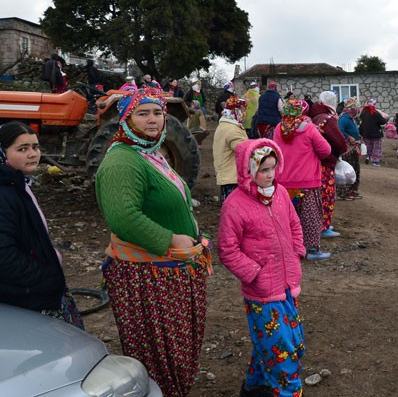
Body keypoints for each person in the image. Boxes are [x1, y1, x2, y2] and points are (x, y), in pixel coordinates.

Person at [95, 87, 211, 397]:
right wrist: (172, 239)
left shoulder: (150, 151)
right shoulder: (122, 161)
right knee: (160, 354)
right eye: (142, 113)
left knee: (176, 349)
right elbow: (123, 218)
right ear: (126, 118)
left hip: (169, 269)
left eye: (158, 112)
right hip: (148, 276)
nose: (153, 120)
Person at [217, 139, 306, 397]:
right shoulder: (234, 205)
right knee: (284, 355)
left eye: (272, 168)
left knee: (281, 342)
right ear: (248, 170)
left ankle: (253, 388)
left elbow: (294, 225)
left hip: (288, 285)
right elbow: (227, 249)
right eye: (263, 169)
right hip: (262, 294)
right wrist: (255, 273)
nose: (269, 175)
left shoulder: (280, 194)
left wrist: (297, 251)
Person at [0, 122, 84, 329]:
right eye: (22, 149)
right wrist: (46, 278)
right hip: (26, 297)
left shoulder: (18, 184)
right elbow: (4, 257)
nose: (33, 154)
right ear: (2, 153)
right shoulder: (4, 194)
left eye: (35, 147)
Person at [272, 99, 332, 261]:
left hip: (284, 182)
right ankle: (311, 249)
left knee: (288, 218)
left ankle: (290, 248)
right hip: (307, 183)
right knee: (310, 217)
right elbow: (326, 151)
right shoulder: (309, 128)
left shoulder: (279, 128)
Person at [309, 91, 348, 239]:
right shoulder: (328, 119)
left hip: (315, 162)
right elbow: (339, 142)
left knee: (318, 195)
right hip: (327, 161)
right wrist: (340, 151)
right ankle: (323, 226)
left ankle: (320, 223)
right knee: (327, 195)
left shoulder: (314, 117)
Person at [213, 95, 249, 203]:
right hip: (232, 177)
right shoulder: (232, 130)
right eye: (242, 110)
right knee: (234, 208)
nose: (244, 114)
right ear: (236, 111)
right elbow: (244, 149)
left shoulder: (224, 125)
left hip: (226, 175)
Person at [337, 97, 363, 201]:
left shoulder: (350, 118)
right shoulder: (344, 118)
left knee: (355, 169)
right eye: (355, 106)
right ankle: (344, 192)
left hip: (353, 148)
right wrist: (348, 137)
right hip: (347, 150)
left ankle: (352, 189)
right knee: (347, 171)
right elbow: (339, 131)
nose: (357, 109)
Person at [359, 98, 388, 167]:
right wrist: (386, 118)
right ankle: (375, 161)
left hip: (366, 133)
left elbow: (360, 121)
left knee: (368, 146)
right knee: (376, 147)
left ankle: (368, 157)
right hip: (376, 133)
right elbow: (382, 121)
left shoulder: (363, 113)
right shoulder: (375, 113)